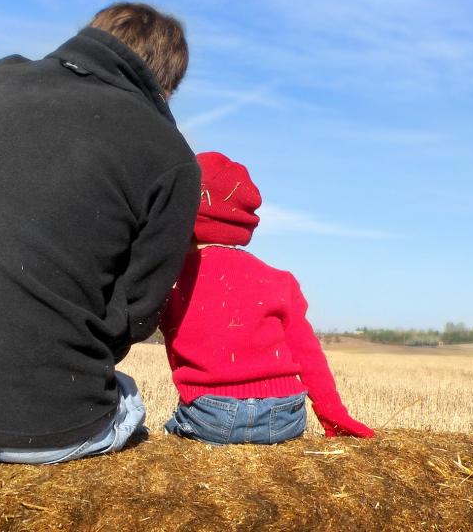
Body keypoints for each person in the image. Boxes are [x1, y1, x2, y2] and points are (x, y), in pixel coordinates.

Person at [0, 3, 200, 463]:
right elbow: (135, 313)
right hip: (53, 430)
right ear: (166, 84)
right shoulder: (171, 156)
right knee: (129, 398)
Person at [160, 152, 374, 445]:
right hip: (287, 414)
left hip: (213, 414)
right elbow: (307, 353)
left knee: (165, 431)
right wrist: (333, 413)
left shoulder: (174, 280)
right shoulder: (279, 280)